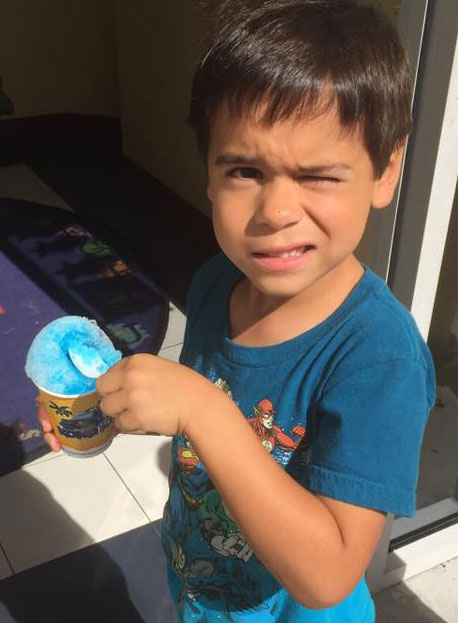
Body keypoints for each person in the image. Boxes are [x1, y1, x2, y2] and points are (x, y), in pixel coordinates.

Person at [38, 1, 436, 621]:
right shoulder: (216, 283)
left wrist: (202, 409)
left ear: (385, 172)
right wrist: (112, 407)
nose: (276, 211)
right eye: (245, 170)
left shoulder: (379, 357)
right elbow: (204, 415)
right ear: (208, 171)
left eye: (320, 176)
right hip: (200, 581)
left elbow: (330, 575)